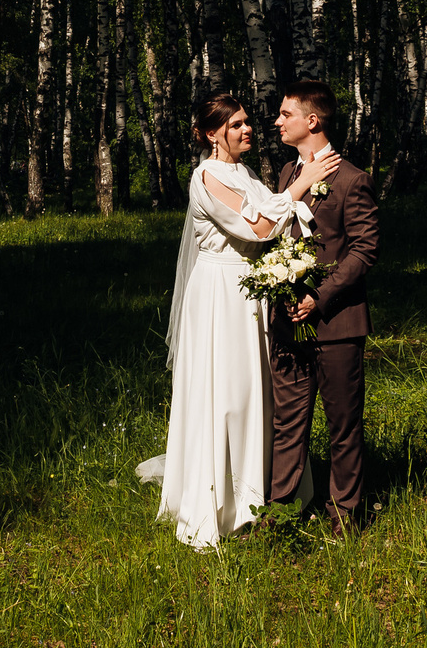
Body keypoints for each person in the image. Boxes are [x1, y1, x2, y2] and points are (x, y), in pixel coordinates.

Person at [136, 91, 341, 549]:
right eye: (236, 125)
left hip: (250, 294)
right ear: (212, 134)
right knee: (226, 393)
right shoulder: (205, 177)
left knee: (257, 392)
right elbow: (258, 229)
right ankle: (220, 503)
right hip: (220, 297)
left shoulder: (244, 172)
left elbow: (271, 222)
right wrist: (303, 182)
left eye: (247, 122)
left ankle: (262, 491)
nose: (248, 129)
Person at [266, 80, 378, 534]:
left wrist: (320, 295)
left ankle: (345, 520)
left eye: (285, 114)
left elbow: (364, 250)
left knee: (342, 427)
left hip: (337, 323)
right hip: (290, 323)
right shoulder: (286, 176)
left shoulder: (352, 179)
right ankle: (278, 517)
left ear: (311, 121)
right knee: (287, 424)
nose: (277, 121)